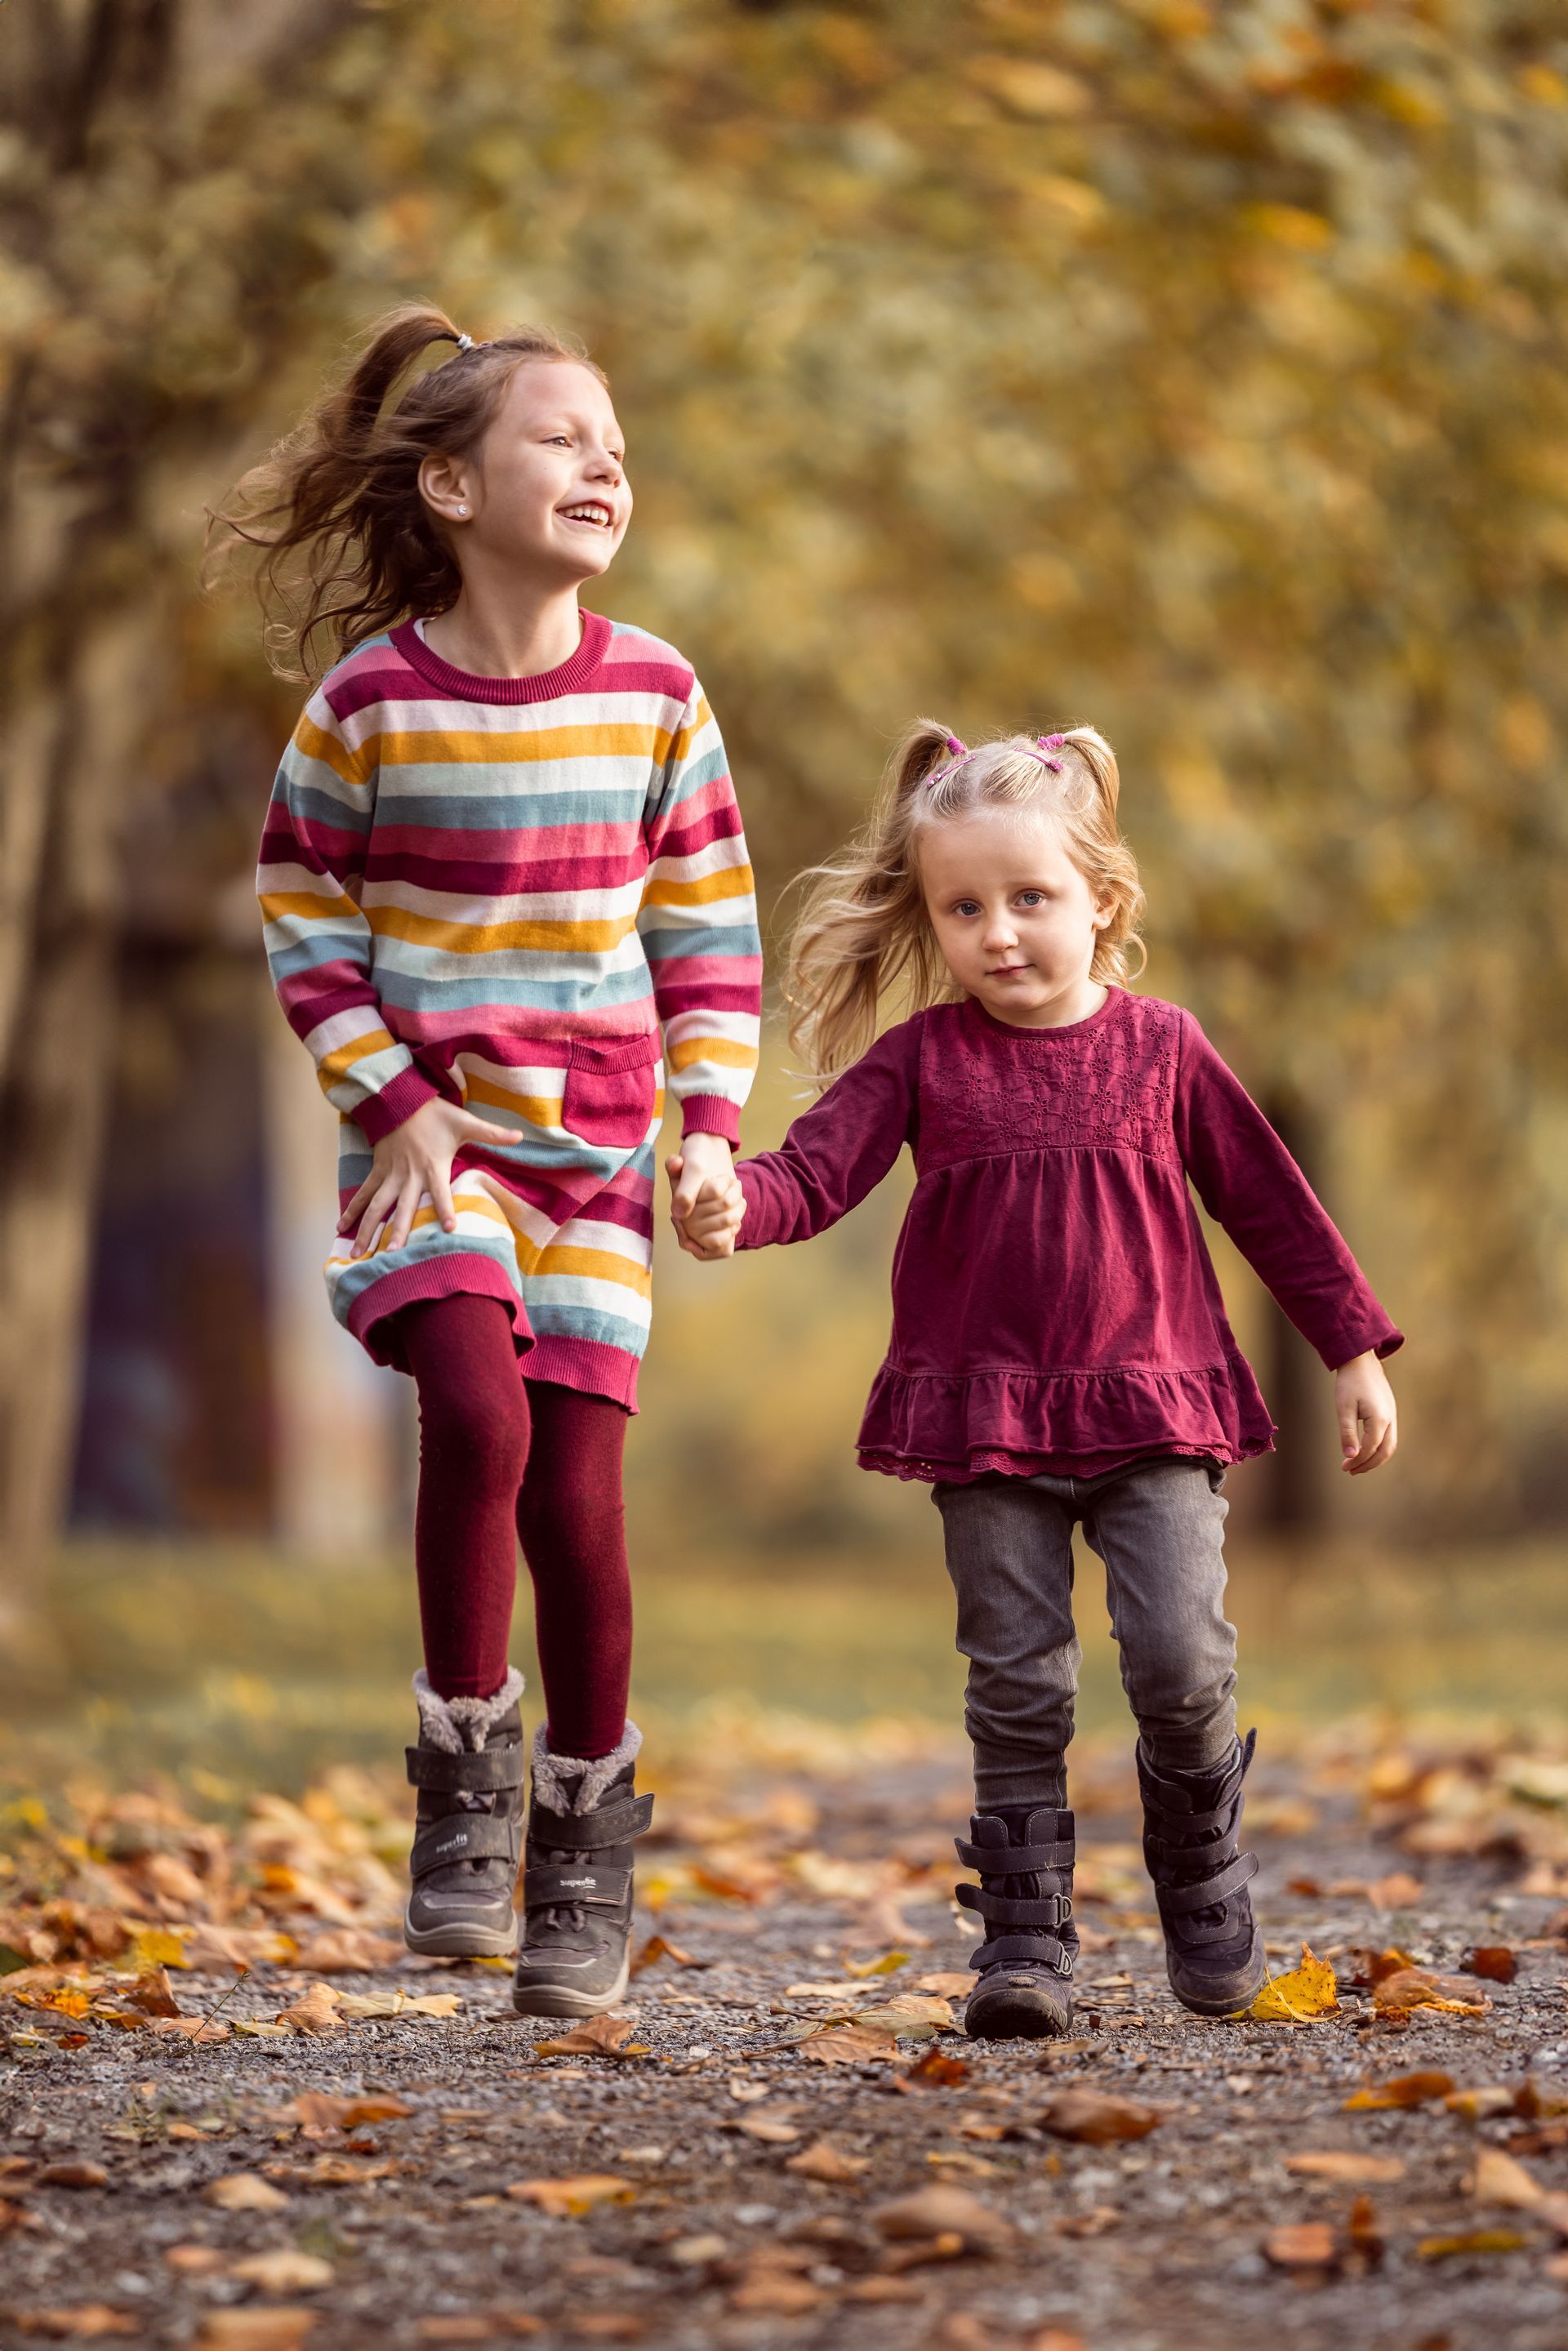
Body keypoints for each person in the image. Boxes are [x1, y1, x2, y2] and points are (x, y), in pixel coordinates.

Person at [672, 720, 1399, 2038]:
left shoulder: (1165, 1049)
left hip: (1155, 1410)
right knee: (1016, 1680)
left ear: (1101, 901)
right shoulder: (922, 1061)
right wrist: (735, 1198)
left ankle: (1199, 1866)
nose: (997, 932)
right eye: (964, 907)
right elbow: (814, 1173)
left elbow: (1272, 1208)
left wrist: (1349, 1348)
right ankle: (1024, 1938)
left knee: (1179, 1660)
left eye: (1030, 899)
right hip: (986, 1413)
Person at [222, 305, 760, 2014]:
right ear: (451, 483)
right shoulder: (369, 704)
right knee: (481, 1414)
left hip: (596, 1163)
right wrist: (392, 1094)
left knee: (580, 1503)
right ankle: (464, 1785)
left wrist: (710, 1128)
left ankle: (583, 1840)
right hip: (427, 1152)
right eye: (562, 435)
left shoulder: (661, 695)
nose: (606, 459)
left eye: (617, 437)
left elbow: (707, 932)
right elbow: (300, 904)